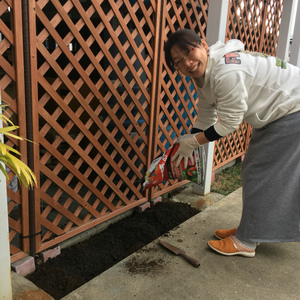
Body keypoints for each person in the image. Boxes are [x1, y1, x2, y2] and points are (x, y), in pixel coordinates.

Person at [164, 29, 300, 257]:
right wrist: (189, 141)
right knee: (257, 172)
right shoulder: (205, 75)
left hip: (293, 111)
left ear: (203, 45)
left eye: (189, 52)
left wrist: (194, 141)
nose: (187, 63)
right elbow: (206, 115)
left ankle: (246, 241)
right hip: (279, 113)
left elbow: (230, 122)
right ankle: (252, 231)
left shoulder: (225, 71)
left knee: (262, 174)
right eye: (178, 62)